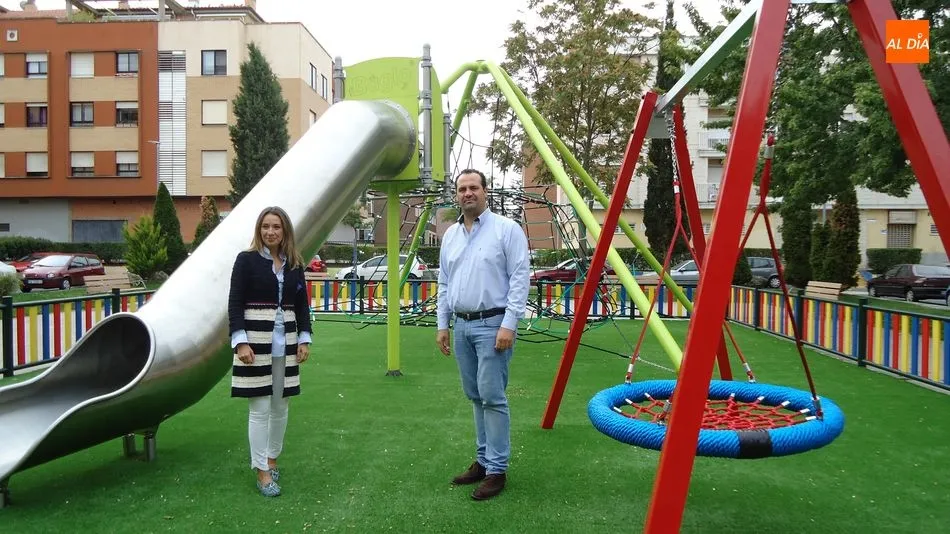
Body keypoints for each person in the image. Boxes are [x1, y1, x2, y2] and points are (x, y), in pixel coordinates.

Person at [436, 169, 530, 501]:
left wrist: (509, 324)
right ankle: (483, 460)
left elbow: (519, 278)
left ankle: (497, 469)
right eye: (462, 188)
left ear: (485, 191)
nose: (467, 193)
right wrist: (443, 324)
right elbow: (444, 282)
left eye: (473, 187)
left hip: (493, 325)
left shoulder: (507, 229)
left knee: (492, 397)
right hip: (461, 326)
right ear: (456, 195)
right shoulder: (450, 235)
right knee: (475, 396)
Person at [228, 206, 312, 498]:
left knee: (281, 405)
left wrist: (304, 338)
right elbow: (235, 302)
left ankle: (273, 458)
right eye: (265, 226)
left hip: (285, 344)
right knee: (260, 408)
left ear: (285, 230)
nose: (270, 232)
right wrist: (240, 341)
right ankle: (261, 469)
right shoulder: (246, 260)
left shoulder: (294, 264)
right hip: (255, 342)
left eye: (276, 226)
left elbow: (302, 306)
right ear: (259, 229)